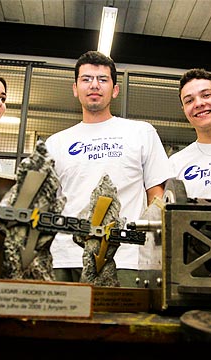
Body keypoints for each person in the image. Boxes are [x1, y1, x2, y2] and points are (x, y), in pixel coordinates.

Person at [45, 50, 172, 286]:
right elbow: (49, 203)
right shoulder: (55, 143)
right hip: (66, 258)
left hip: (126, 258)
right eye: (86, 79)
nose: (94, 85)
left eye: (102, 79)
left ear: (115, 89)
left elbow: (157, 198)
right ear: (75, 89)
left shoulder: (141, 133)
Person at [169, 68, 211, 200]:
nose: (198, 103)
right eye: (189, 101)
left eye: (206, 95)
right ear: (184, 110)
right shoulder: (175, 164)